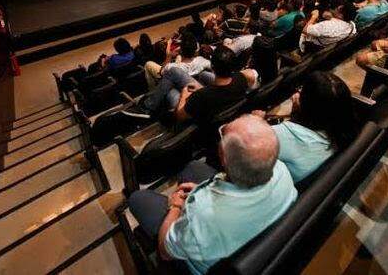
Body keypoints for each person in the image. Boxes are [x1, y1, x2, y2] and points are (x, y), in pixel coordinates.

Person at [127, 114, 297, 274]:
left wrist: (176, 207)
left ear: (223, 158)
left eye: (223, 133)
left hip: (203, 266)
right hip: (255, 242)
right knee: (193, 167)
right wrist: (203, 190)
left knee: (138, 198)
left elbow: (165, 251)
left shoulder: (203, 214)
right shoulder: (282, 170)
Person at [252, 71, 358, 182]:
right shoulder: (345, 129)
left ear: (307, 103)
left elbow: (245, 149)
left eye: (302, 90)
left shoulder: (276, 135)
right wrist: (298, 112)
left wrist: (255, 122)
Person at [125, 46, 257, 123]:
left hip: (193, 118)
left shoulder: (202, 96)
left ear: (212, 66)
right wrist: (201, 89)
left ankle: (148, 107)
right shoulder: (241, 79)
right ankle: (150, 105)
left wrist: (184, 95)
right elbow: (251, 75)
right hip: (214, 99)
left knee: (172, 88)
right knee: (174, 73)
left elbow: (180, 117)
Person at [143, 32, 212, 89]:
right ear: (195, 50)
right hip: (190, 72)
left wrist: (169, 56)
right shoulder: (203, 61)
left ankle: (153, 89)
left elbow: (161, 73)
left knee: (148, 64)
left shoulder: (172, 67)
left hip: (175, 80)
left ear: (181, 50)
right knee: (178, 57)